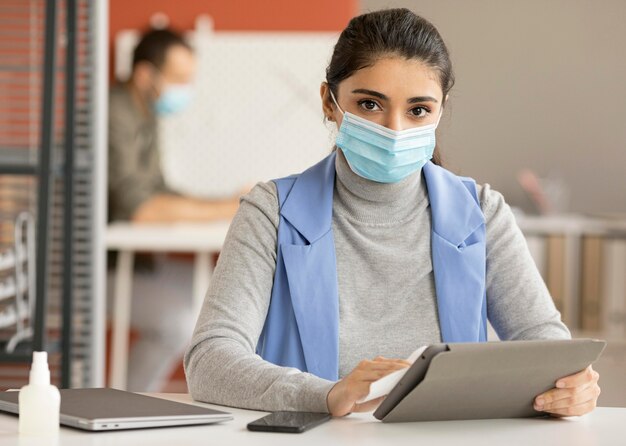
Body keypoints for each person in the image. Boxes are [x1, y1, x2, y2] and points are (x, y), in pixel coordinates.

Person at [184, 9, 601, 417]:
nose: (394, 130)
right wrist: (328, 395)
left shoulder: (483, 212)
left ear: (441, 109)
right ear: (329, 102)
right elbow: (209, 361)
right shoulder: (271, 212)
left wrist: (570, 385)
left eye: (418, 110)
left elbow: (544, 345)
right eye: (369, 105)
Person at [108, 28, 240, 224]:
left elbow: (158, 190)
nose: (185, 90)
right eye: (178, 79)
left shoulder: (147, 114)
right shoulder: (113, 113)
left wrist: (229, 202)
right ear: (144, 76)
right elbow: (139, 208)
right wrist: (229, 208)